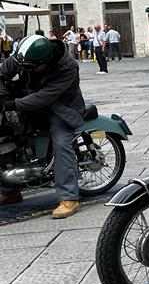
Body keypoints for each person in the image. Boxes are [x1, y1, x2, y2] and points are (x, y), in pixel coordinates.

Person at [0, 34, 86, 218]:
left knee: (62, 144)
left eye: (31, 68)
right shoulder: (25, 55)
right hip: (28, 101)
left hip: (61, 108)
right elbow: (3, 70)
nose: (24, 69)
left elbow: (45, 96)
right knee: (8, 135)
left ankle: (69, 197)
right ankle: (10, 190)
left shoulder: (67, 67)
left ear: (44, 63)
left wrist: (12, 104)